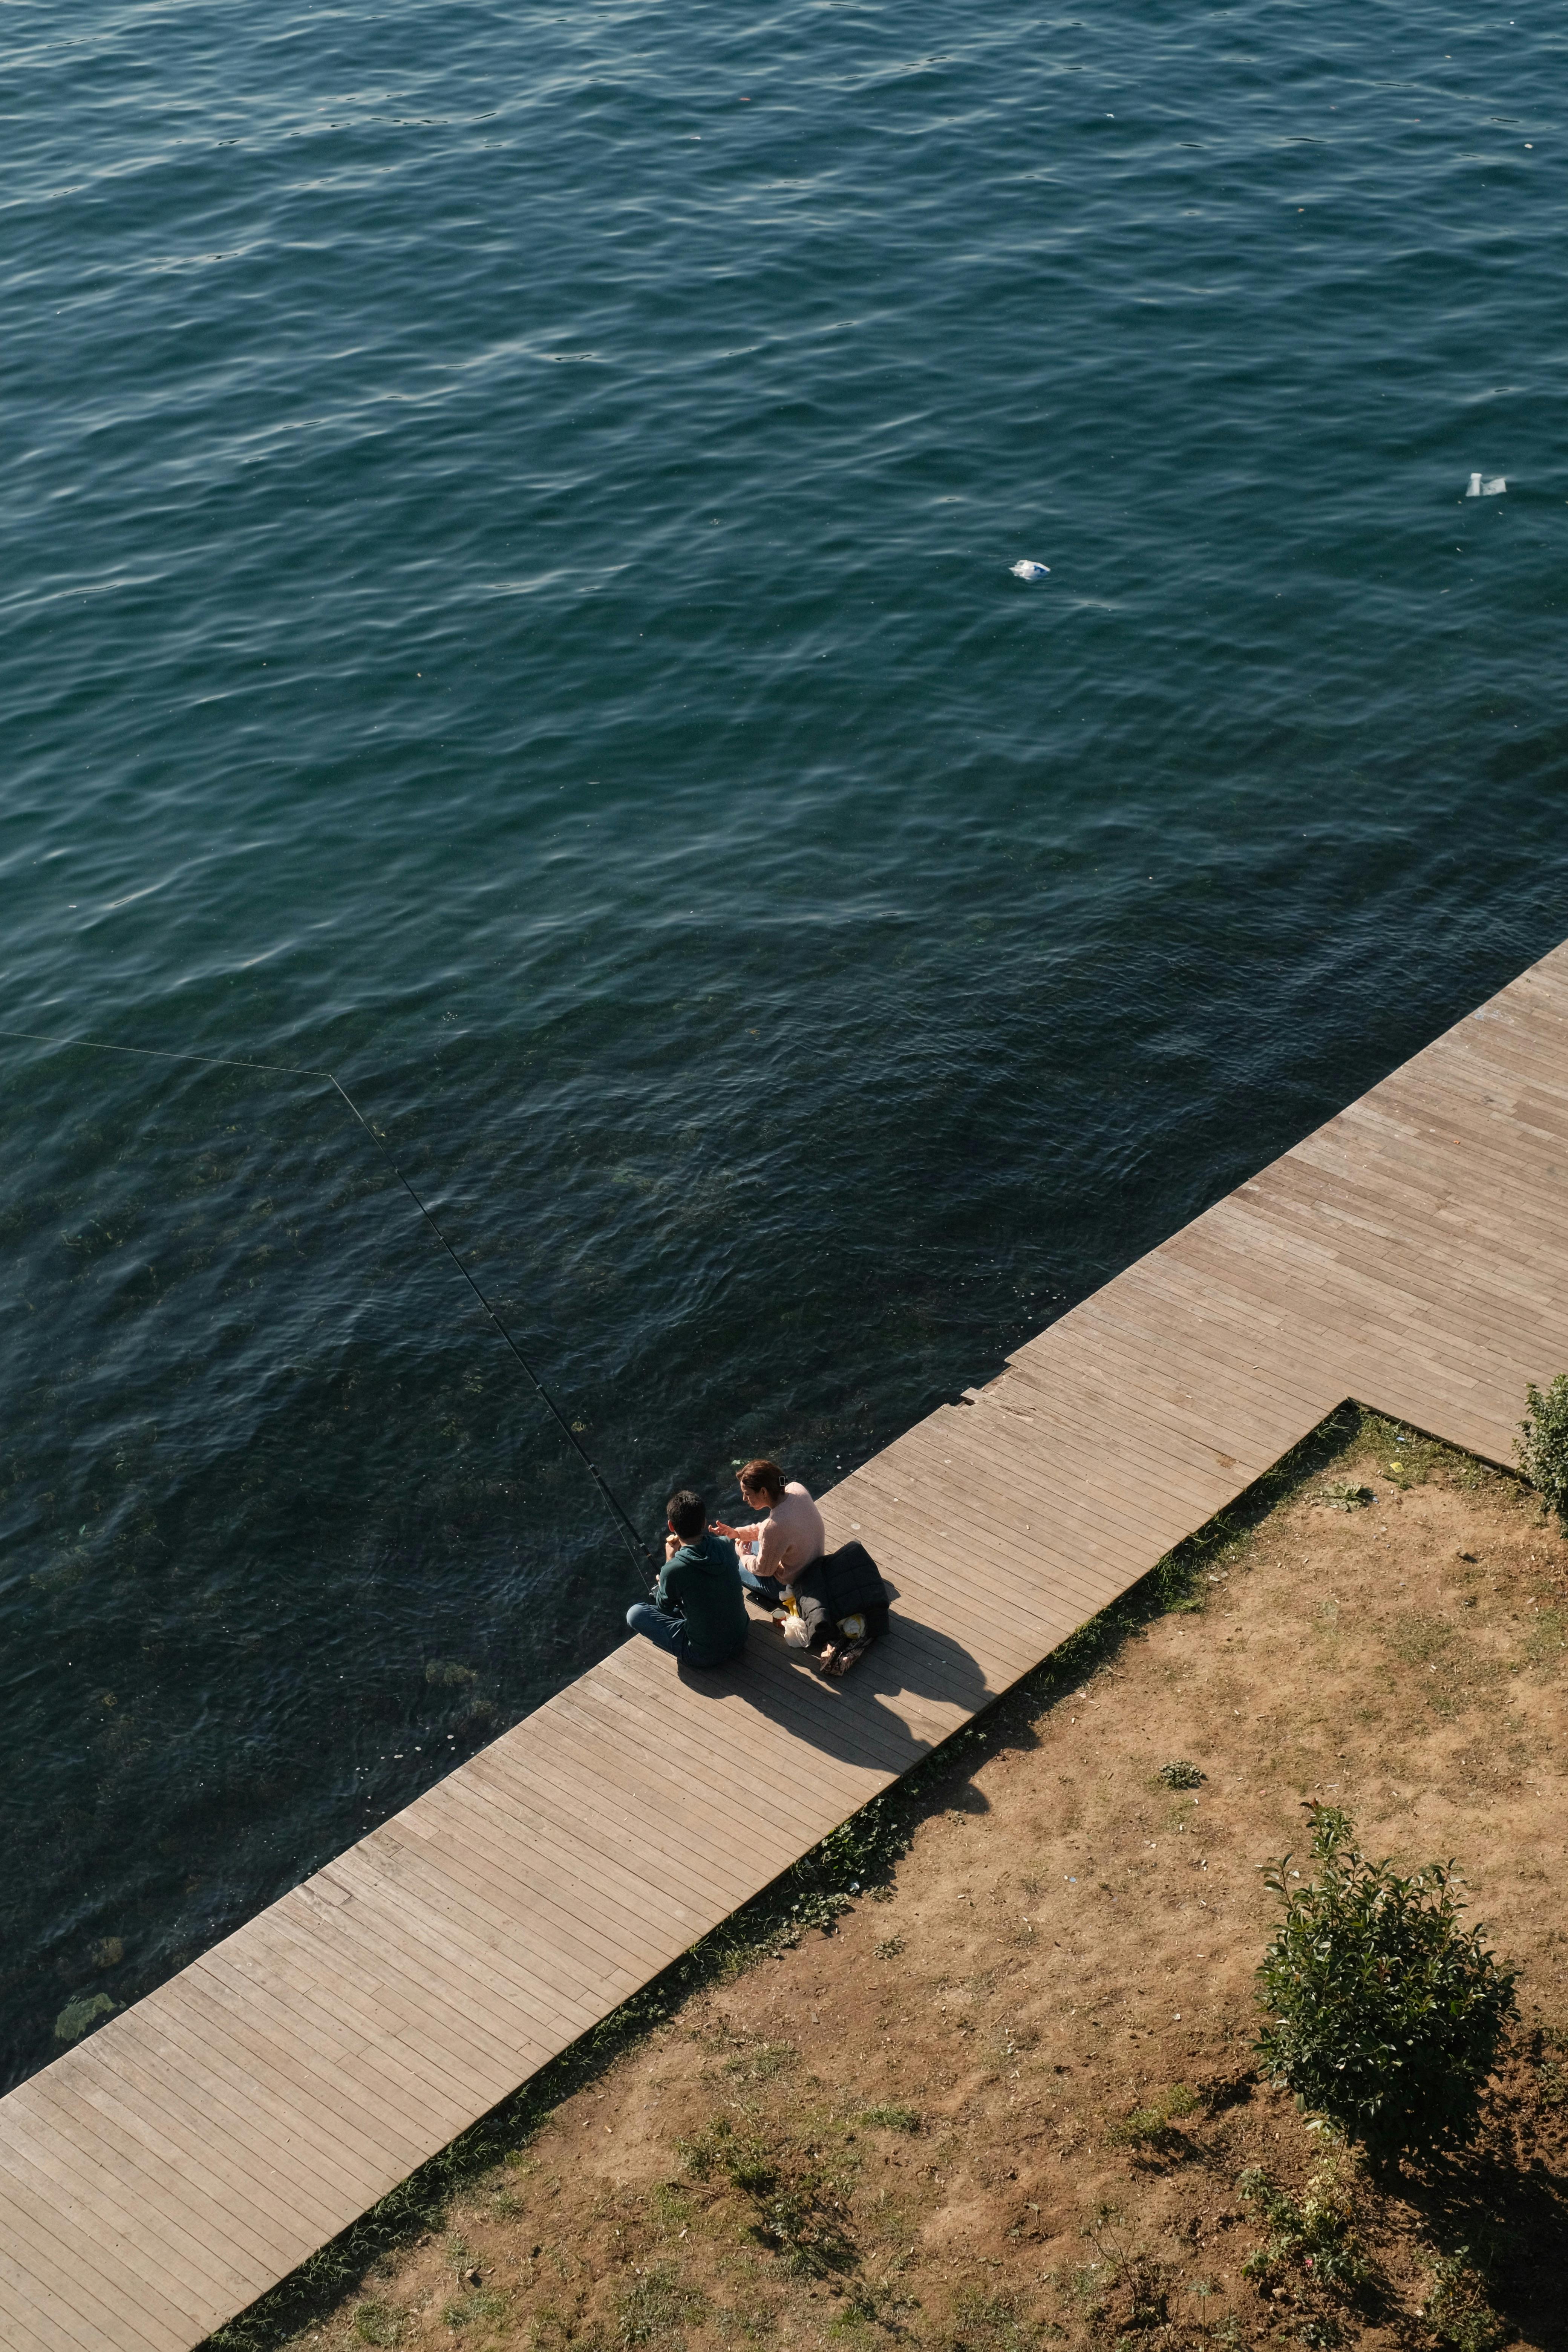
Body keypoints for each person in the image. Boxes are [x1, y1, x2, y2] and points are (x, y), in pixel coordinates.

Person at [625, 1488, 749, 1668]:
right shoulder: (725, 1545)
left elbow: (663, 1606)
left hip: (705, 1655)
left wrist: (669, 1561)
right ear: (704, 1522)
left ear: (671, 1526)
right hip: (742, 1637)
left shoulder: (673, 1569)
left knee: (635, 1614)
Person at [710, 1459, 825, 1613]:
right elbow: (773, 1530)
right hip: (815, 1563)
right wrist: (737, 1533)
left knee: (736, 1565)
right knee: (752, 1544)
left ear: (763, 1492)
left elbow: (764, 1570)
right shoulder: (796, 1489)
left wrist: (743, 1557)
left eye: (748, 1494)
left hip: (794, 1582)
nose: (745, 1499)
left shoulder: (772, 1528)